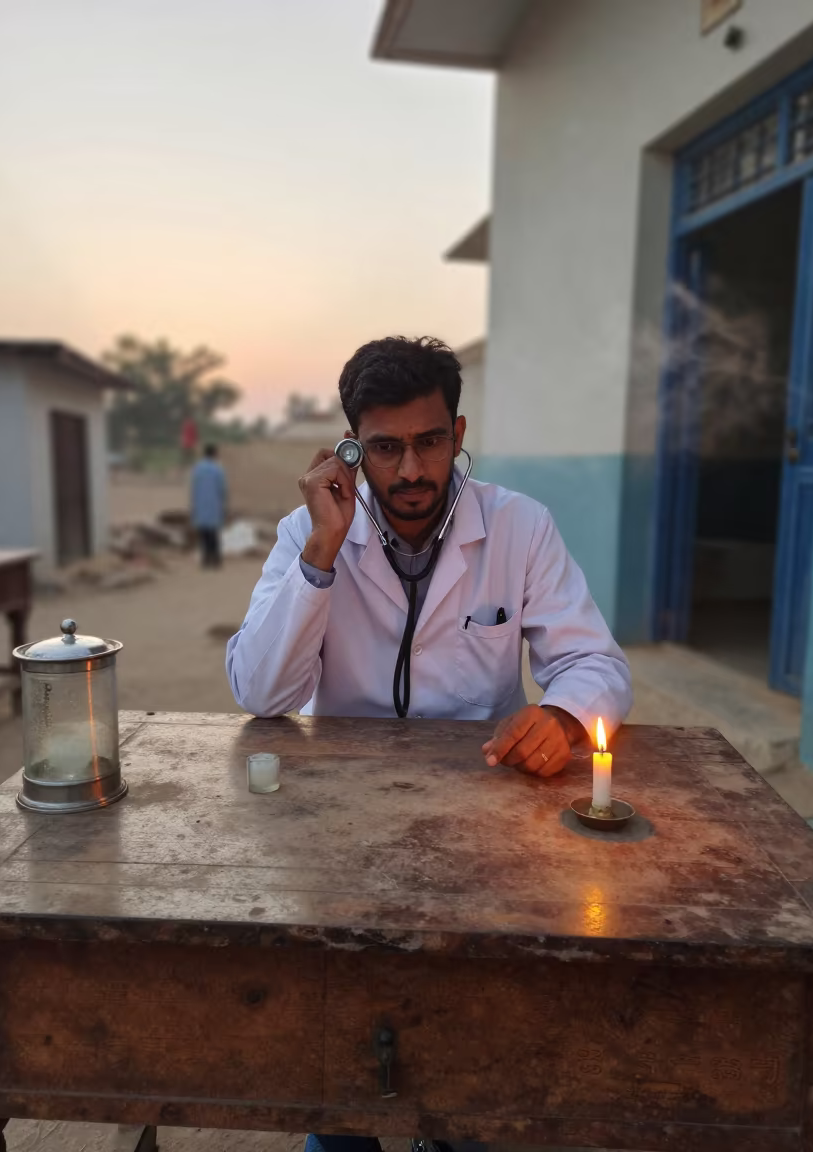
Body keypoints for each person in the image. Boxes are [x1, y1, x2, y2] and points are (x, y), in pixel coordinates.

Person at [226, 336, 631, 1152]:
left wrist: (559, 716)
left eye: (430, 441)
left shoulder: (519, 527)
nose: (410, 470)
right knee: (343, 1064)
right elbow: (261, 693)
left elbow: (594, 661)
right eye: (385, 448)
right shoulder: (308, 533)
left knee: (472, 1050)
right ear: (351, 449)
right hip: (341, 832)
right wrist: (321, 551)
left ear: (457, 431)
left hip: (487, 830)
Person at [190, 444, 227, 568]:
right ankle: (215, 559)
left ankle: (206, 560)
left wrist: (193, 505)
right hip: (213, 505)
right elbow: (222, 489)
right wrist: (223, 504)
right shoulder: (217, 469)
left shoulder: (198, 469)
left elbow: (193, 488)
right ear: (214, 454)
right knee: (214, 534)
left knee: (204, 535)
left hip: (200, 504)